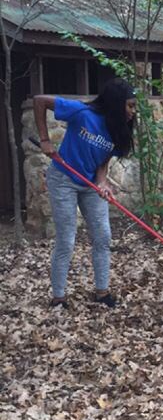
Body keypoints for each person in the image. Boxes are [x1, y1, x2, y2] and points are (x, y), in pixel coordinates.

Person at [35, 78, 137, 310]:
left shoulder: (117, 127)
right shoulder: (81, 112)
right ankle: (58, 297)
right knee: (67, 239)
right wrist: (44, 140)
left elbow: (103, 160)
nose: (133, 111)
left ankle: (102, 292)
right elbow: (39, 101)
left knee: (103, 236)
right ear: (115, 103)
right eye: (130, 105)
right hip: (63, 180)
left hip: (90, 184)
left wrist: (102, 181)